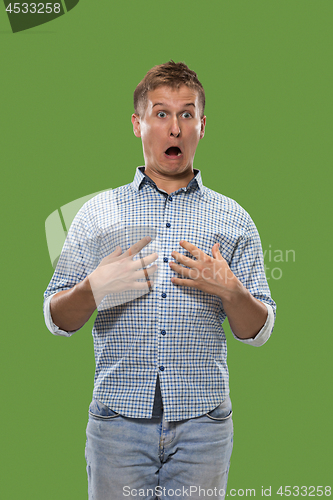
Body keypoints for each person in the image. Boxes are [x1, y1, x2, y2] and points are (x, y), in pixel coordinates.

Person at [44, 61, 276, 500]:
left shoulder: (234, 219)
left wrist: (231, 291)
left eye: (187, 114)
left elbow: (259, 332)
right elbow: (56, 317)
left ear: (202, 126)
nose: (175, 128)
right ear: (138, 124)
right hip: (116, 426)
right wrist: (93, 289)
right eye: (161, 113)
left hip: (203, 429)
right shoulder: (98, 214)